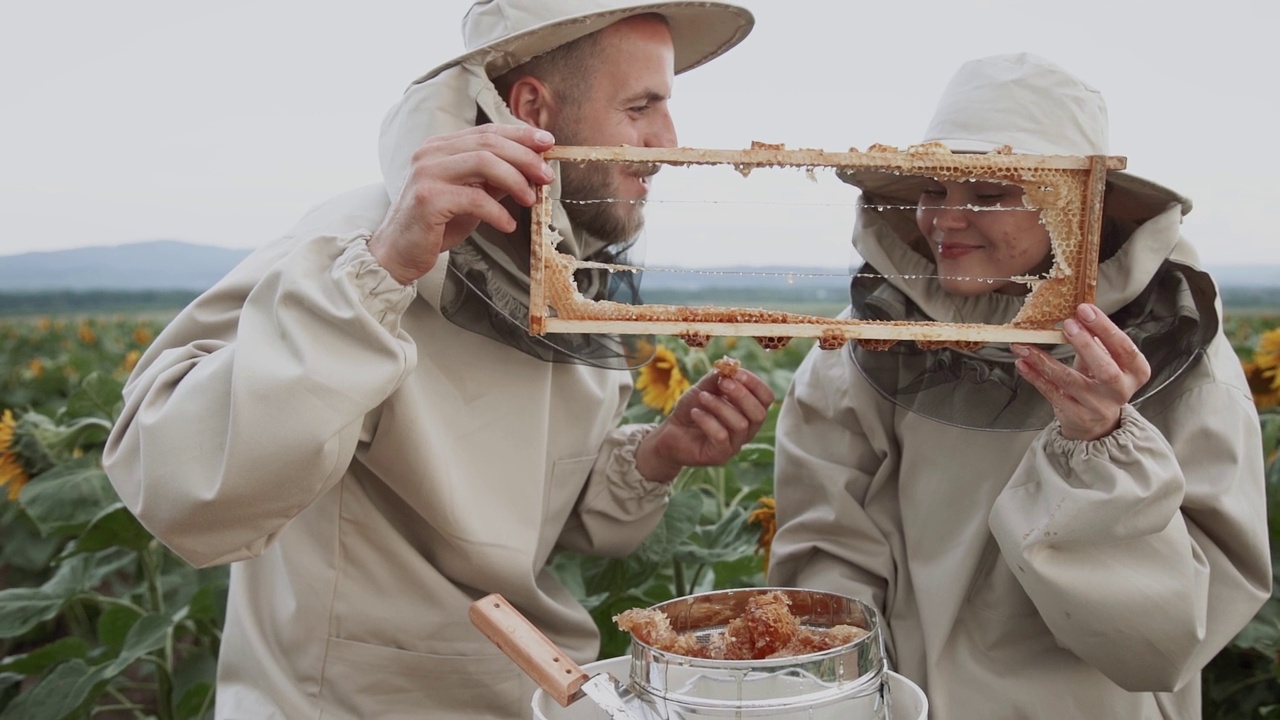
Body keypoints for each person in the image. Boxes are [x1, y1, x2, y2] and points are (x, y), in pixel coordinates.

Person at [102, 2, 773, 718]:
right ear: (531, 106)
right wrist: (382, 271)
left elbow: (535, 507)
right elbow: (179, 484)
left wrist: (658, 456)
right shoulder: (356, 241)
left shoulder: (568, 276)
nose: (668, 144)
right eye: (642, 107)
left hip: (537, 692)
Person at [767, 53, 1271, 719]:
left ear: (1077, 208)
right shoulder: (860, 351)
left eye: (989, 195)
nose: (947, 220)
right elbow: (828, 572)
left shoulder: (1185, 365)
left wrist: (1104, 450)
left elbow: (1167, 640)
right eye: (936, 190)